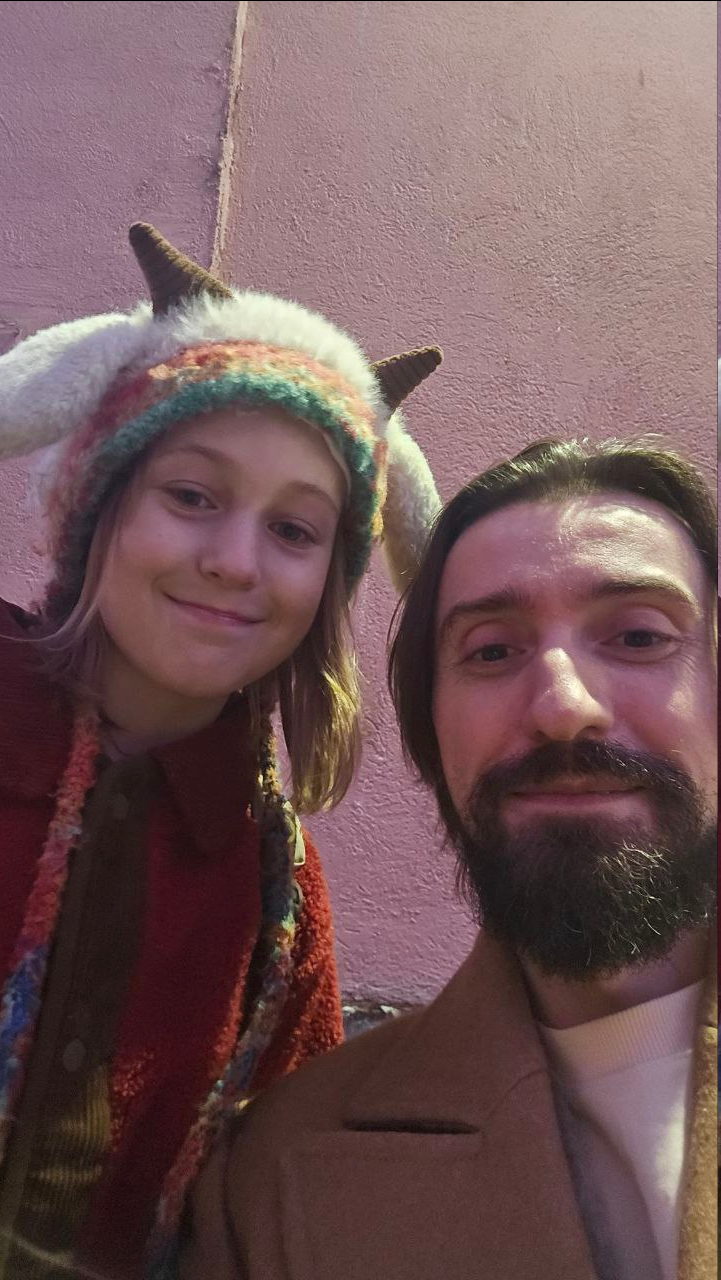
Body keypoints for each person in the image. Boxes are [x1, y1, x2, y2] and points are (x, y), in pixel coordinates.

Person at [0, 221, 442, 1279]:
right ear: (97, 503)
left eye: (294, 530)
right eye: (192, 495)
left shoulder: (276, 894)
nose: (236, 562)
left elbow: (272, 1194)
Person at [181, 438, 717, 1280]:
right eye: (492, 651)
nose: (563, 706)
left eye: (638, 636)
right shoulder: (262, 1185)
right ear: (431, 737)